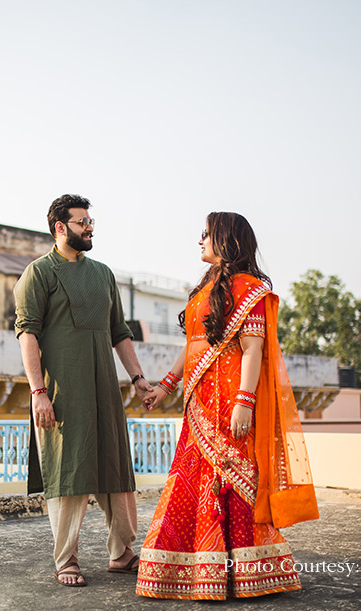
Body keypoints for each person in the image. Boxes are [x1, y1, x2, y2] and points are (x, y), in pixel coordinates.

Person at [135, 212, 318, 600]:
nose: (200, 240)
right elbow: (195, 347)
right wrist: (166, 387)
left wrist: (244, 402)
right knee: (192, 481)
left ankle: (245, 575)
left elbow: (253, 349)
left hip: (230, 402)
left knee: (233, 484)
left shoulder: (250, 289)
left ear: (227, 240)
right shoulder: (206, 290)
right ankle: (198, 573)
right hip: (200, 404)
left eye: (207, 233)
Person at [14, 194, 152, 587]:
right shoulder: (38, 273)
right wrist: (38, 391)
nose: (90, 227)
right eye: (81, 222)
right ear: (60, 227)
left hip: (104, 386)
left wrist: (138, 378)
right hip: (61, 388)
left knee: (115, 465)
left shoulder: (104, 273)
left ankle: (121, 552)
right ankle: (66, 559)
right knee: (68, 470)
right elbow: (28, 335)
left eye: (91, 221)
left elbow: (119, 333)